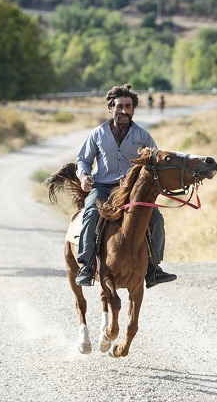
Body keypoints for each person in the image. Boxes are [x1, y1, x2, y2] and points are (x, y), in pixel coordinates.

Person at [75, 83, 176, 288]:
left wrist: (149, 157)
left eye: (128, 106)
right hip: (103, 187)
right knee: (90, 213)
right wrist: (84, 176)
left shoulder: (143, 136)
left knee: (156, 219)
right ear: (111, 108)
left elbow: (155, 164)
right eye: (119, 106)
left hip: (132, 192)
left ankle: (153, 268)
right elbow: (83, 160)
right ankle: (86, 266)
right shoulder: (98, 134)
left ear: (133, 109)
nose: (124, 111)